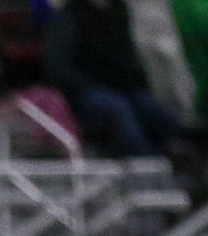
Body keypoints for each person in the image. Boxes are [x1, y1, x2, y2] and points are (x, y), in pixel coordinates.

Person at [44, 0, 181, 158]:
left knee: (157, 112)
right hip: (84, 92)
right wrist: (89, 85)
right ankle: (144, 161)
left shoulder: (118, 13)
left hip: (122, 89)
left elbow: (128, 58)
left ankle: (174, 156)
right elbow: (59, 68)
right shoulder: (68, 17)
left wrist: (137, 82)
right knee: (117, 110)